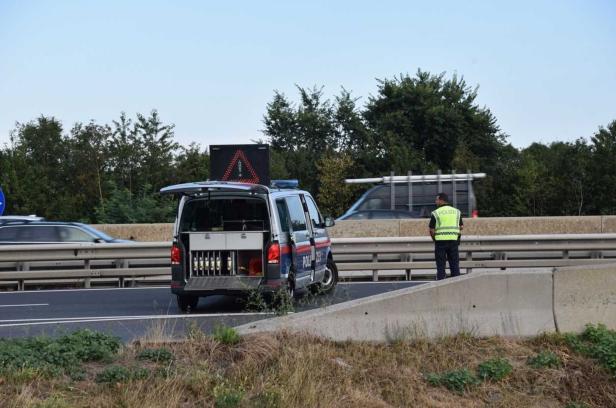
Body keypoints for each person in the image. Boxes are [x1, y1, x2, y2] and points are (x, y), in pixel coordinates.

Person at [429, 192, 463, 280]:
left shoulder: (436, 213)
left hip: (440, 242)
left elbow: (431, 230)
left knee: (441, 266)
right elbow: (461, 226)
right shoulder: (457, 212)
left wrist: (435, 239)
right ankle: (456, 286)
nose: (435, 201)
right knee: (455, 265)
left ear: (441, 200)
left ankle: (441, 286)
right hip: (453, 241)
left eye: (436, 200)